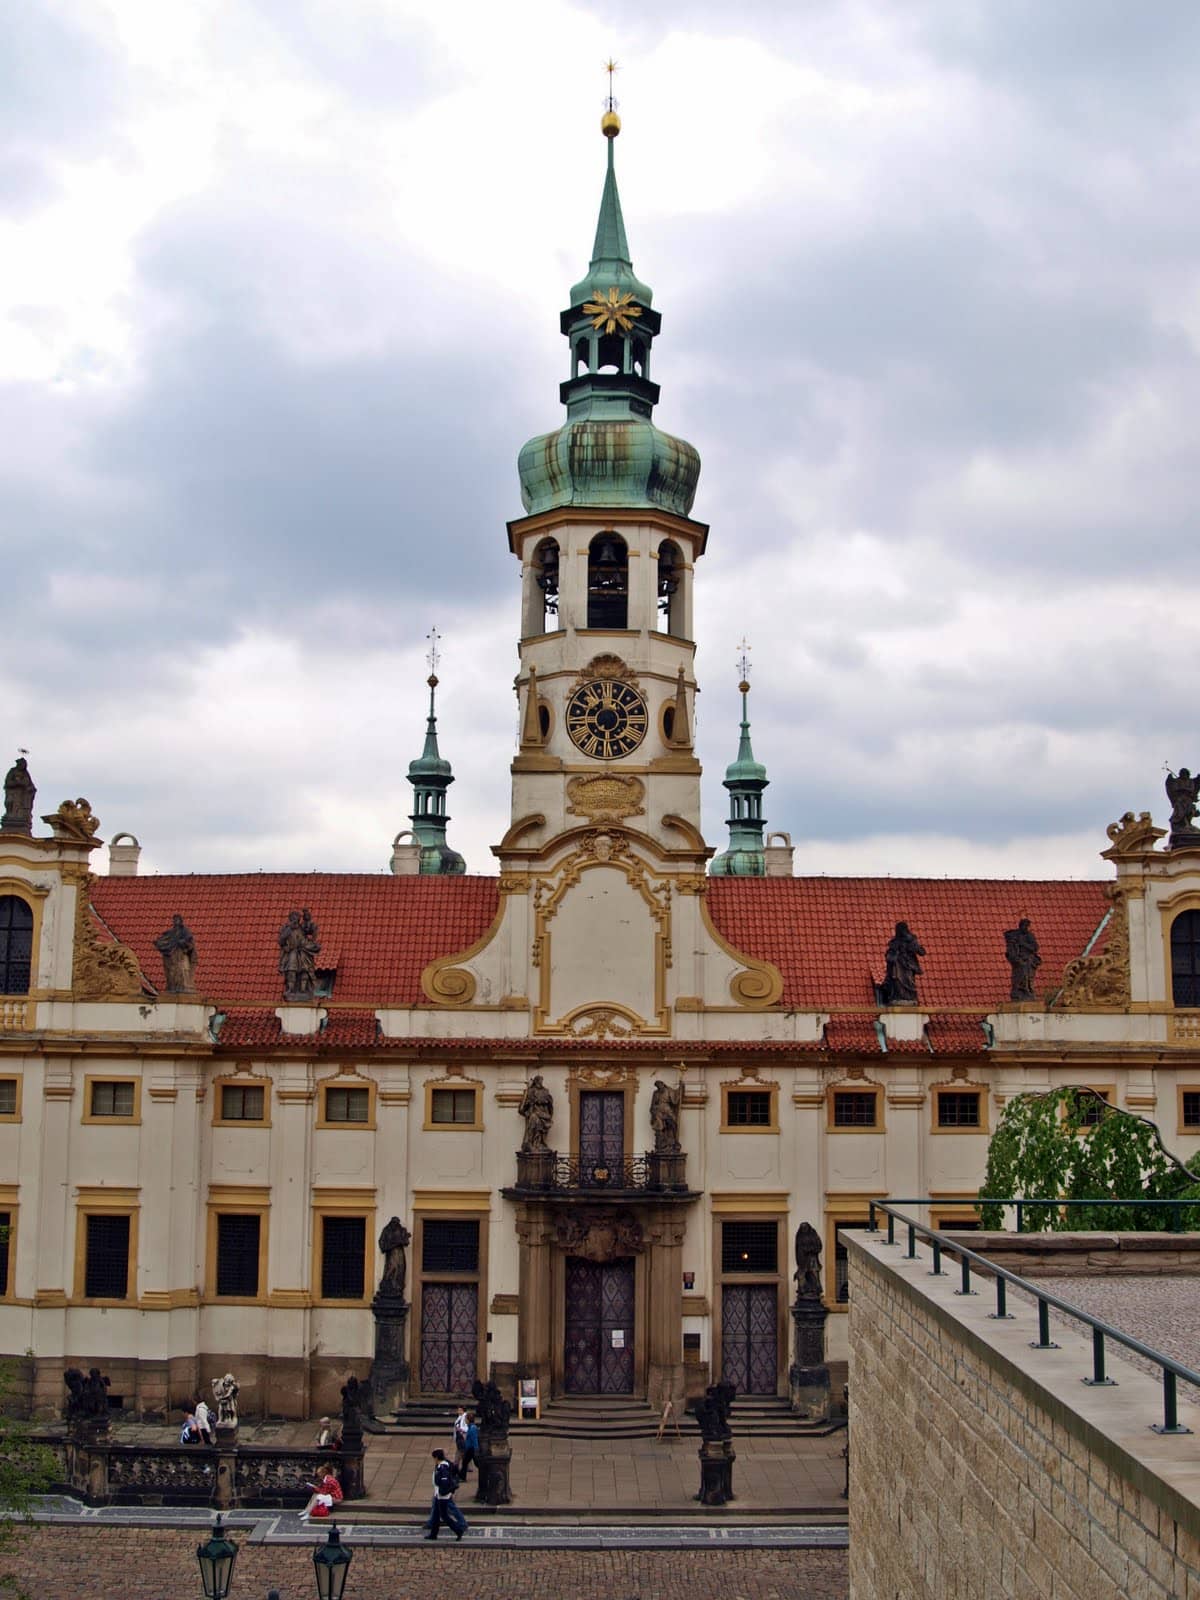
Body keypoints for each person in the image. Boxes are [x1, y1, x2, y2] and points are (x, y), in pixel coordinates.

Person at [423, 1449, 467, 1540]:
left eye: (434, 1458)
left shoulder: (442, 1467)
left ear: (436, 1457)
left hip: (442, 1495)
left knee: (444, 1515)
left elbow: (443, 1481)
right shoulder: (441, 1466)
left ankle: (458, 1530)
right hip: (438, 1494)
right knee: (436, 1515)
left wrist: (441, 1491)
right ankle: (433, 1534)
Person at [458, 1411, 480, 1480]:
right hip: (470, 1448)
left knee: (476, 1463)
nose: (465, 1420)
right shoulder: (471, 1427)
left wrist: (476, 1449)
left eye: (466, 1419)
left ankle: (462, 1477)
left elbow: (474, 1440)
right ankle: (462, 1476)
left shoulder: (472, 1428)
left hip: (472, 1449)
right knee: (465, 1462)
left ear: (468, 1420)